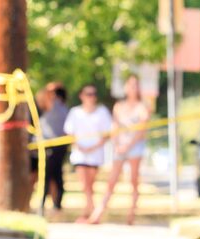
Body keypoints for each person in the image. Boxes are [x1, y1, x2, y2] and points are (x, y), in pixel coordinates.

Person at [88, 75, 150, 225]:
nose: (132, 88)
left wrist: (128, 146)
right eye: (130, 85)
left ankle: (132, 213)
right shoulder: (119, 106)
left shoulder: (142, 107)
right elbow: (114, 127)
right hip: (120, 147)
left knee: (133, 180)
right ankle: (98, 213)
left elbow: (141, 130)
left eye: (135, 85)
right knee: (112, 180)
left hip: (135, 147)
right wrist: (117, 144)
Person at [63, 84, 112, 222]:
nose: (91, 97)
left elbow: (108, 132)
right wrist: (79, 146)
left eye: (93, 94)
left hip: (96, 153)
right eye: (88, 94)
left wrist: (95, 146)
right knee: (84, 184)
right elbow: (69, 132)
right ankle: (90, 211)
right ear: (82, 96)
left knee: (90, 184)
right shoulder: (75, 112)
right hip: (80, 152)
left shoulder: (102, 112)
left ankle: (88, 211)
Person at [39, 82, 70, 215]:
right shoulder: (62, 108)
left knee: (50, 175)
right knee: (55, 175)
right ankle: (53, 204)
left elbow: (41, 97)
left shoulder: (55, 106)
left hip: (55, 145)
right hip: (51, 144)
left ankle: (48, 204)